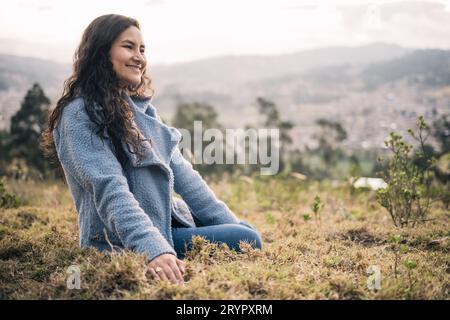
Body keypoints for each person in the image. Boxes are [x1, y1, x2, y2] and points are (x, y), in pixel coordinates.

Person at [40, 14, 262, 285]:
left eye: (142, 49)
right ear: (101, 51)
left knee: (245, 232)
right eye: (128, 47)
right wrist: (154, 250)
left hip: (165, 222)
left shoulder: (139, 110)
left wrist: (231, 223)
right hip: (119, 240)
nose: (139, 57)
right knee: (248, 238)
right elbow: (111, 190)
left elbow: (185, 176)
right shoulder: (78, 115)